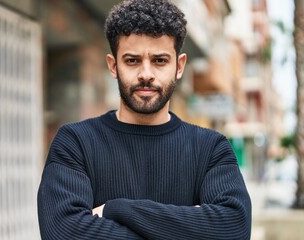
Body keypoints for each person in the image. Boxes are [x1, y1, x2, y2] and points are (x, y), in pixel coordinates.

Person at [37, 0, 252, 239]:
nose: (146, 74)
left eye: (160, 60)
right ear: (113, 65)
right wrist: (190, 226)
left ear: (179, 66)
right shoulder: (75, 143)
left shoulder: (211, 149)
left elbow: (234, 227)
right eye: (132, 60)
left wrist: (117, 209)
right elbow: (63, 232)